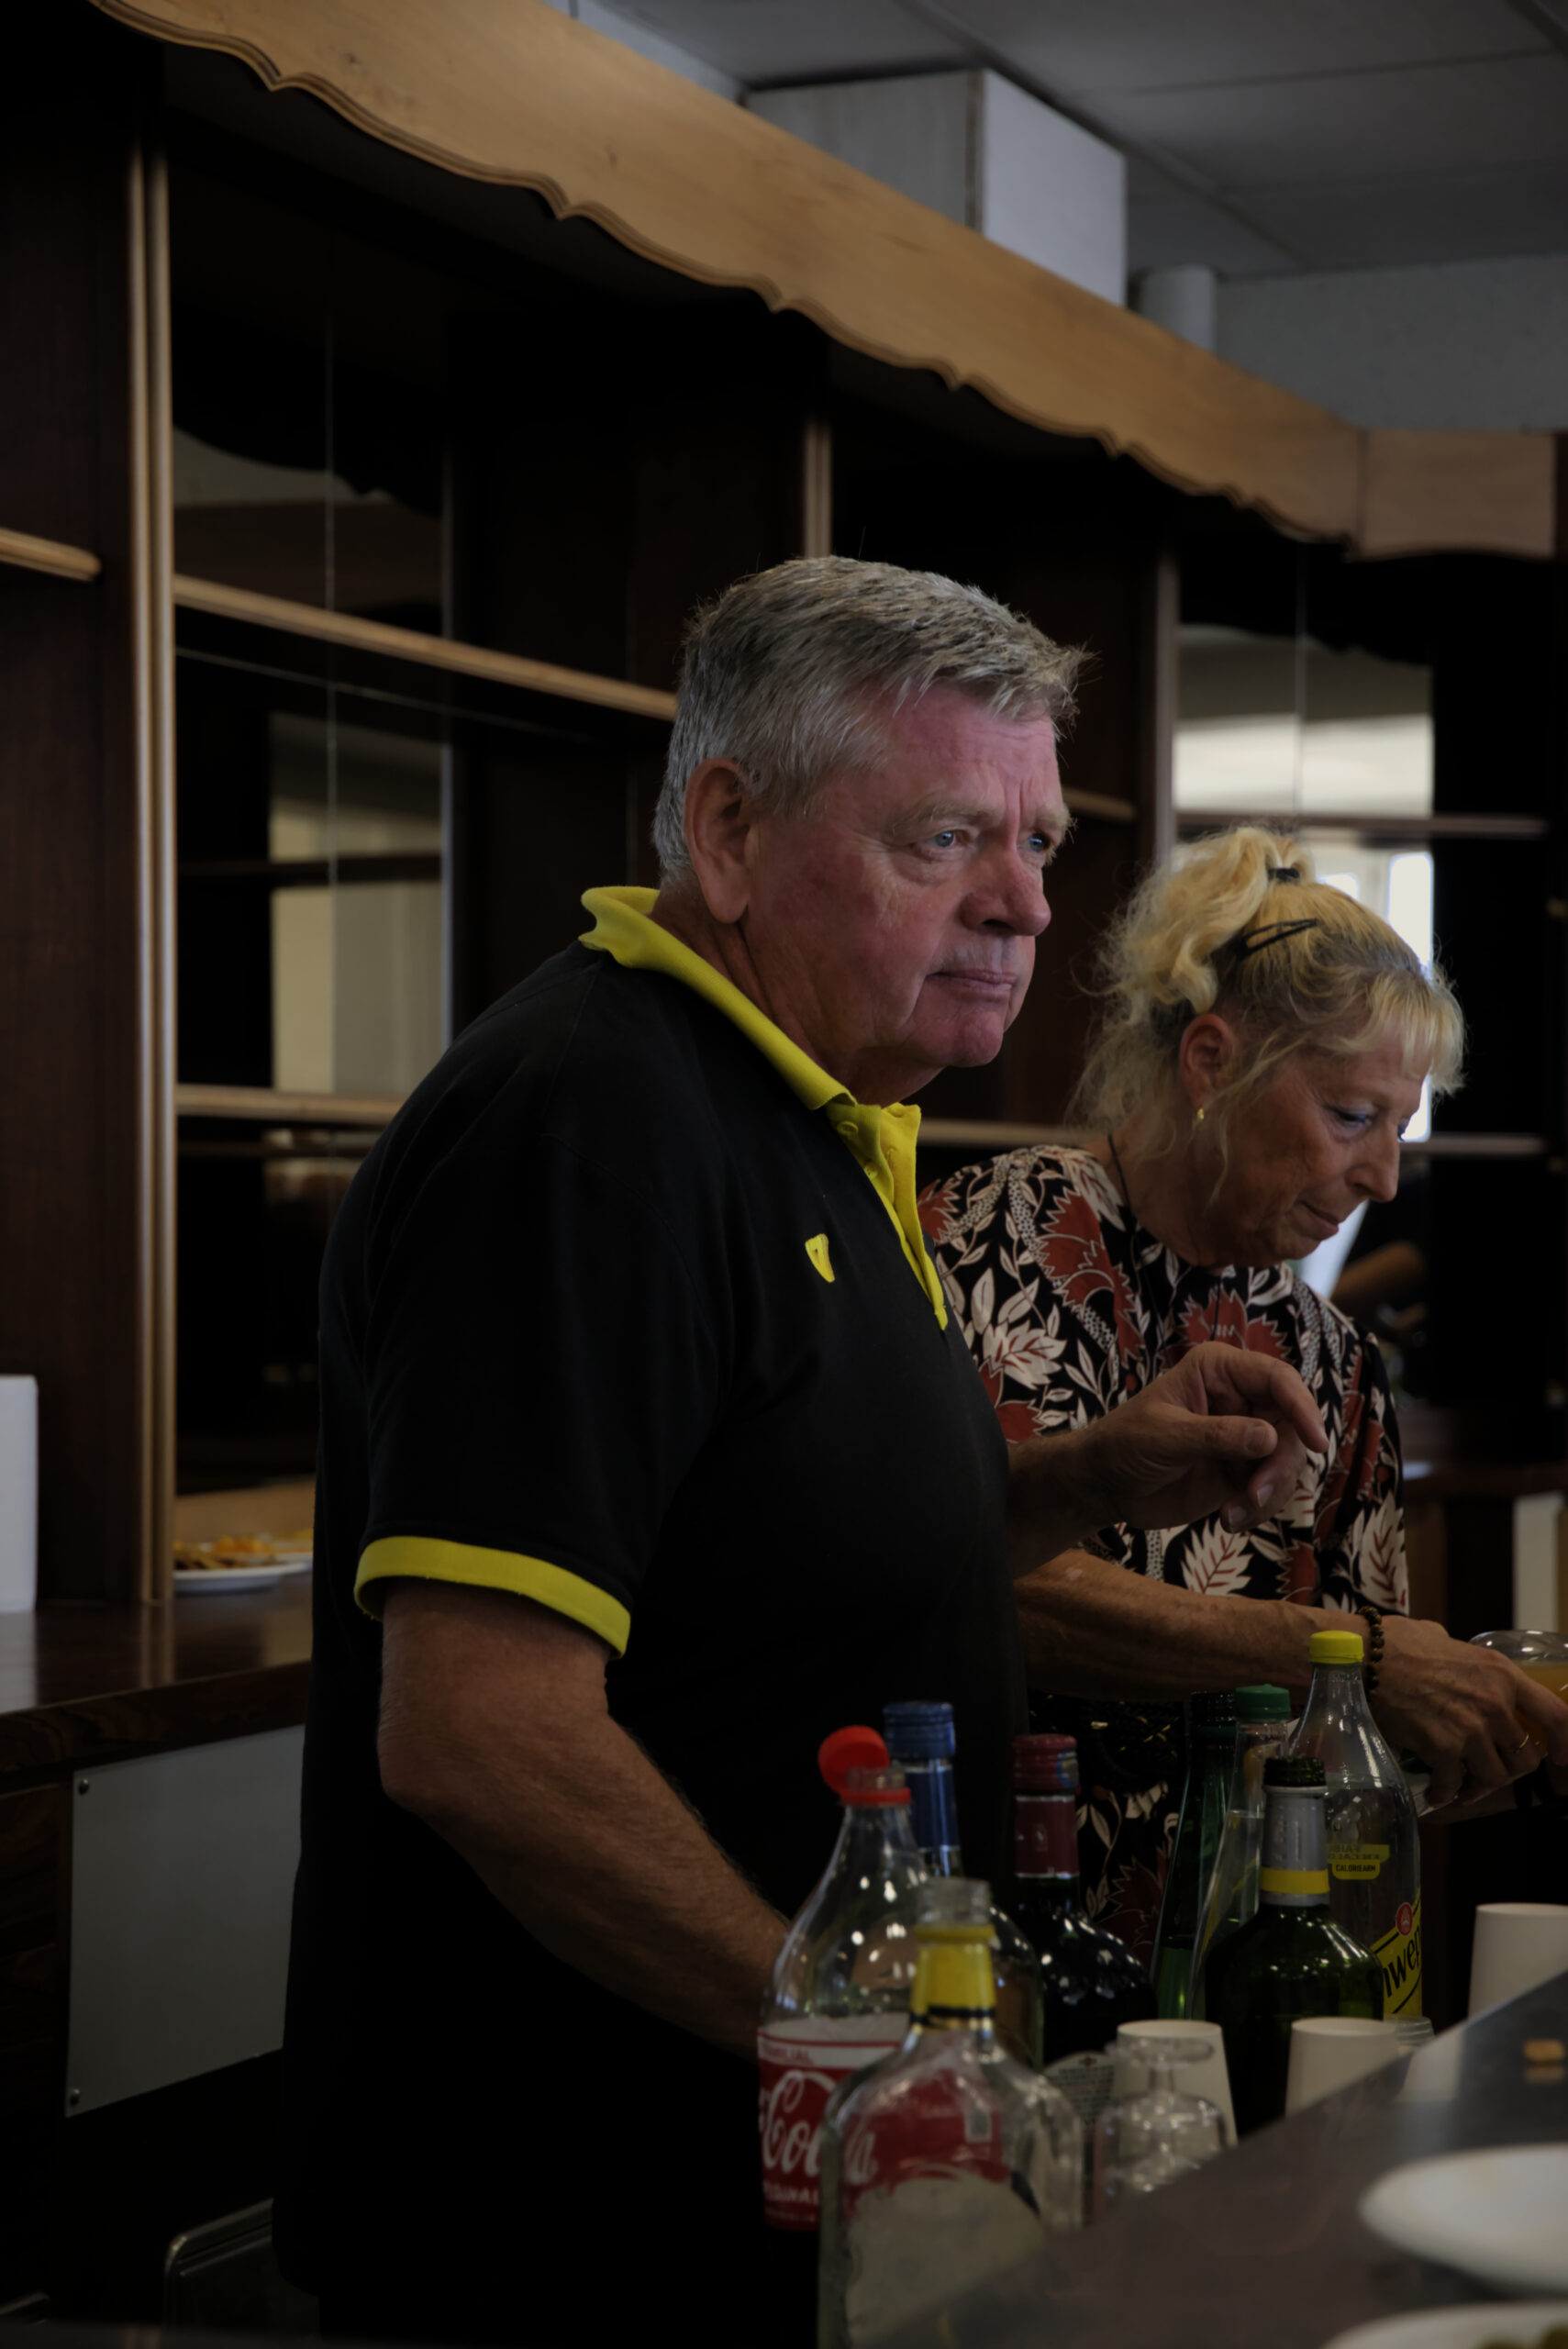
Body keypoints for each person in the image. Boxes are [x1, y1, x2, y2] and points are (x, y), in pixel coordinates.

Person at [275, 566, 1329, 2349]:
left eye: (1035, 841)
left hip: (784, 2177)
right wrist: (853, 2043)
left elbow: (765, 1566)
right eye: (943, 837)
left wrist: (1078, 1481)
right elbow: (477, 1734)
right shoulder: (587, 1120)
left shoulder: (821, 1115)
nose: (1022, 902)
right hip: (575, 2218)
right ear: (727, 830)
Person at [923, 827, 1568, 1961]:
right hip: (1000, 1943)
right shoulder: (1003, 1237)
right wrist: (1354, 1656)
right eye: (1350, 1116)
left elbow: (1353, 1753)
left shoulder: (1331, 1357)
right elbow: (978, 1586)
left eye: (1398, 1129)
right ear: (1211, 1060)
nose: (1383, 1178)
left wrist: (1497, 1733)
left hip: (1246, 1970)